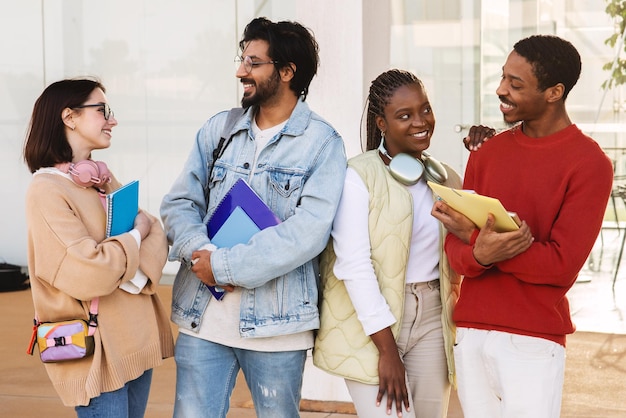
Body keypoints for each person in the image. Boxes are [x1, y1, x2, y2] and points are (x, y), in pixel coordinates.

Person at [160, 17, 347, 418]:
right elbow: (179, 202)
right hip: (204, 321)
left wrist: (224, 265)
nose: (241, 71)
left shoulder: (322, 144)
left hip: (277, 328)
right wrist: (201, 250)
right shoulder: (220, 129)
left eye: (253, 62)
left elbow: (308, 233)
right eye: (242, 59)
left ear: (286, 72)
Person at [431, 35, 614, 418]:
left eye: (516, 84)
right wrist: (478, 250)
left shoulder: (589, 164)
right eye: (503, 78)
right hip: (471, 332)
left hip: (532, 341)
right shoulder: (488, 152)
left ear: (554, 92)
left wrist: (480, 244)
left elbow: (561, 265)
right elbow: (456, 248)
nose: (501, 90)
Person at [313, 69, 486, 418]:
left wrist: (483, 155)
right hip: (373, 322)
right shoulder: (358, 176)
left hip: (434, 315)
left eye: (425, 110)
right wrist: (387, 351)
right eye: (404, 116)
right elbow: (354, 266)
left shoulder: (445, 177)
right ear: (381, 123)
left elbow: (481, 228)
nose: (420, 122)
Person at [23, 78, 174, 418]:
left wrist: (121, 267)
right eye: (102, 110)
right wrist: (133, 244)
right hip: (97, 353)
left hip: (135, 340)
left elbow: (157, 235)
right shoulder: (46, 191)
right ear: (69, 117)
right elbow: (89, 270)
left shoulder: (99, 179)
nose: (113, 120)